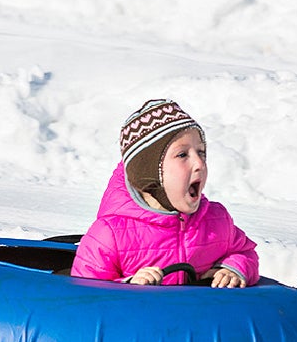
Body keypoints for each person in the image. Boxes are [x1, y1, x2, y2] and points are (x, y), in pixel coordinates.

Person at [71, 99, 259, 287]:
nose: (200, 163)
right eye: (183, 155)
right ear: (150, 172)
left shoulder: (217, 221)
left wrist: (231, 269)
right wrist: (128, 285)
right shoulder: (110, 234)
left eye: (201, 152)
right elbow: (86, 294)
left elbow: (244, 252)